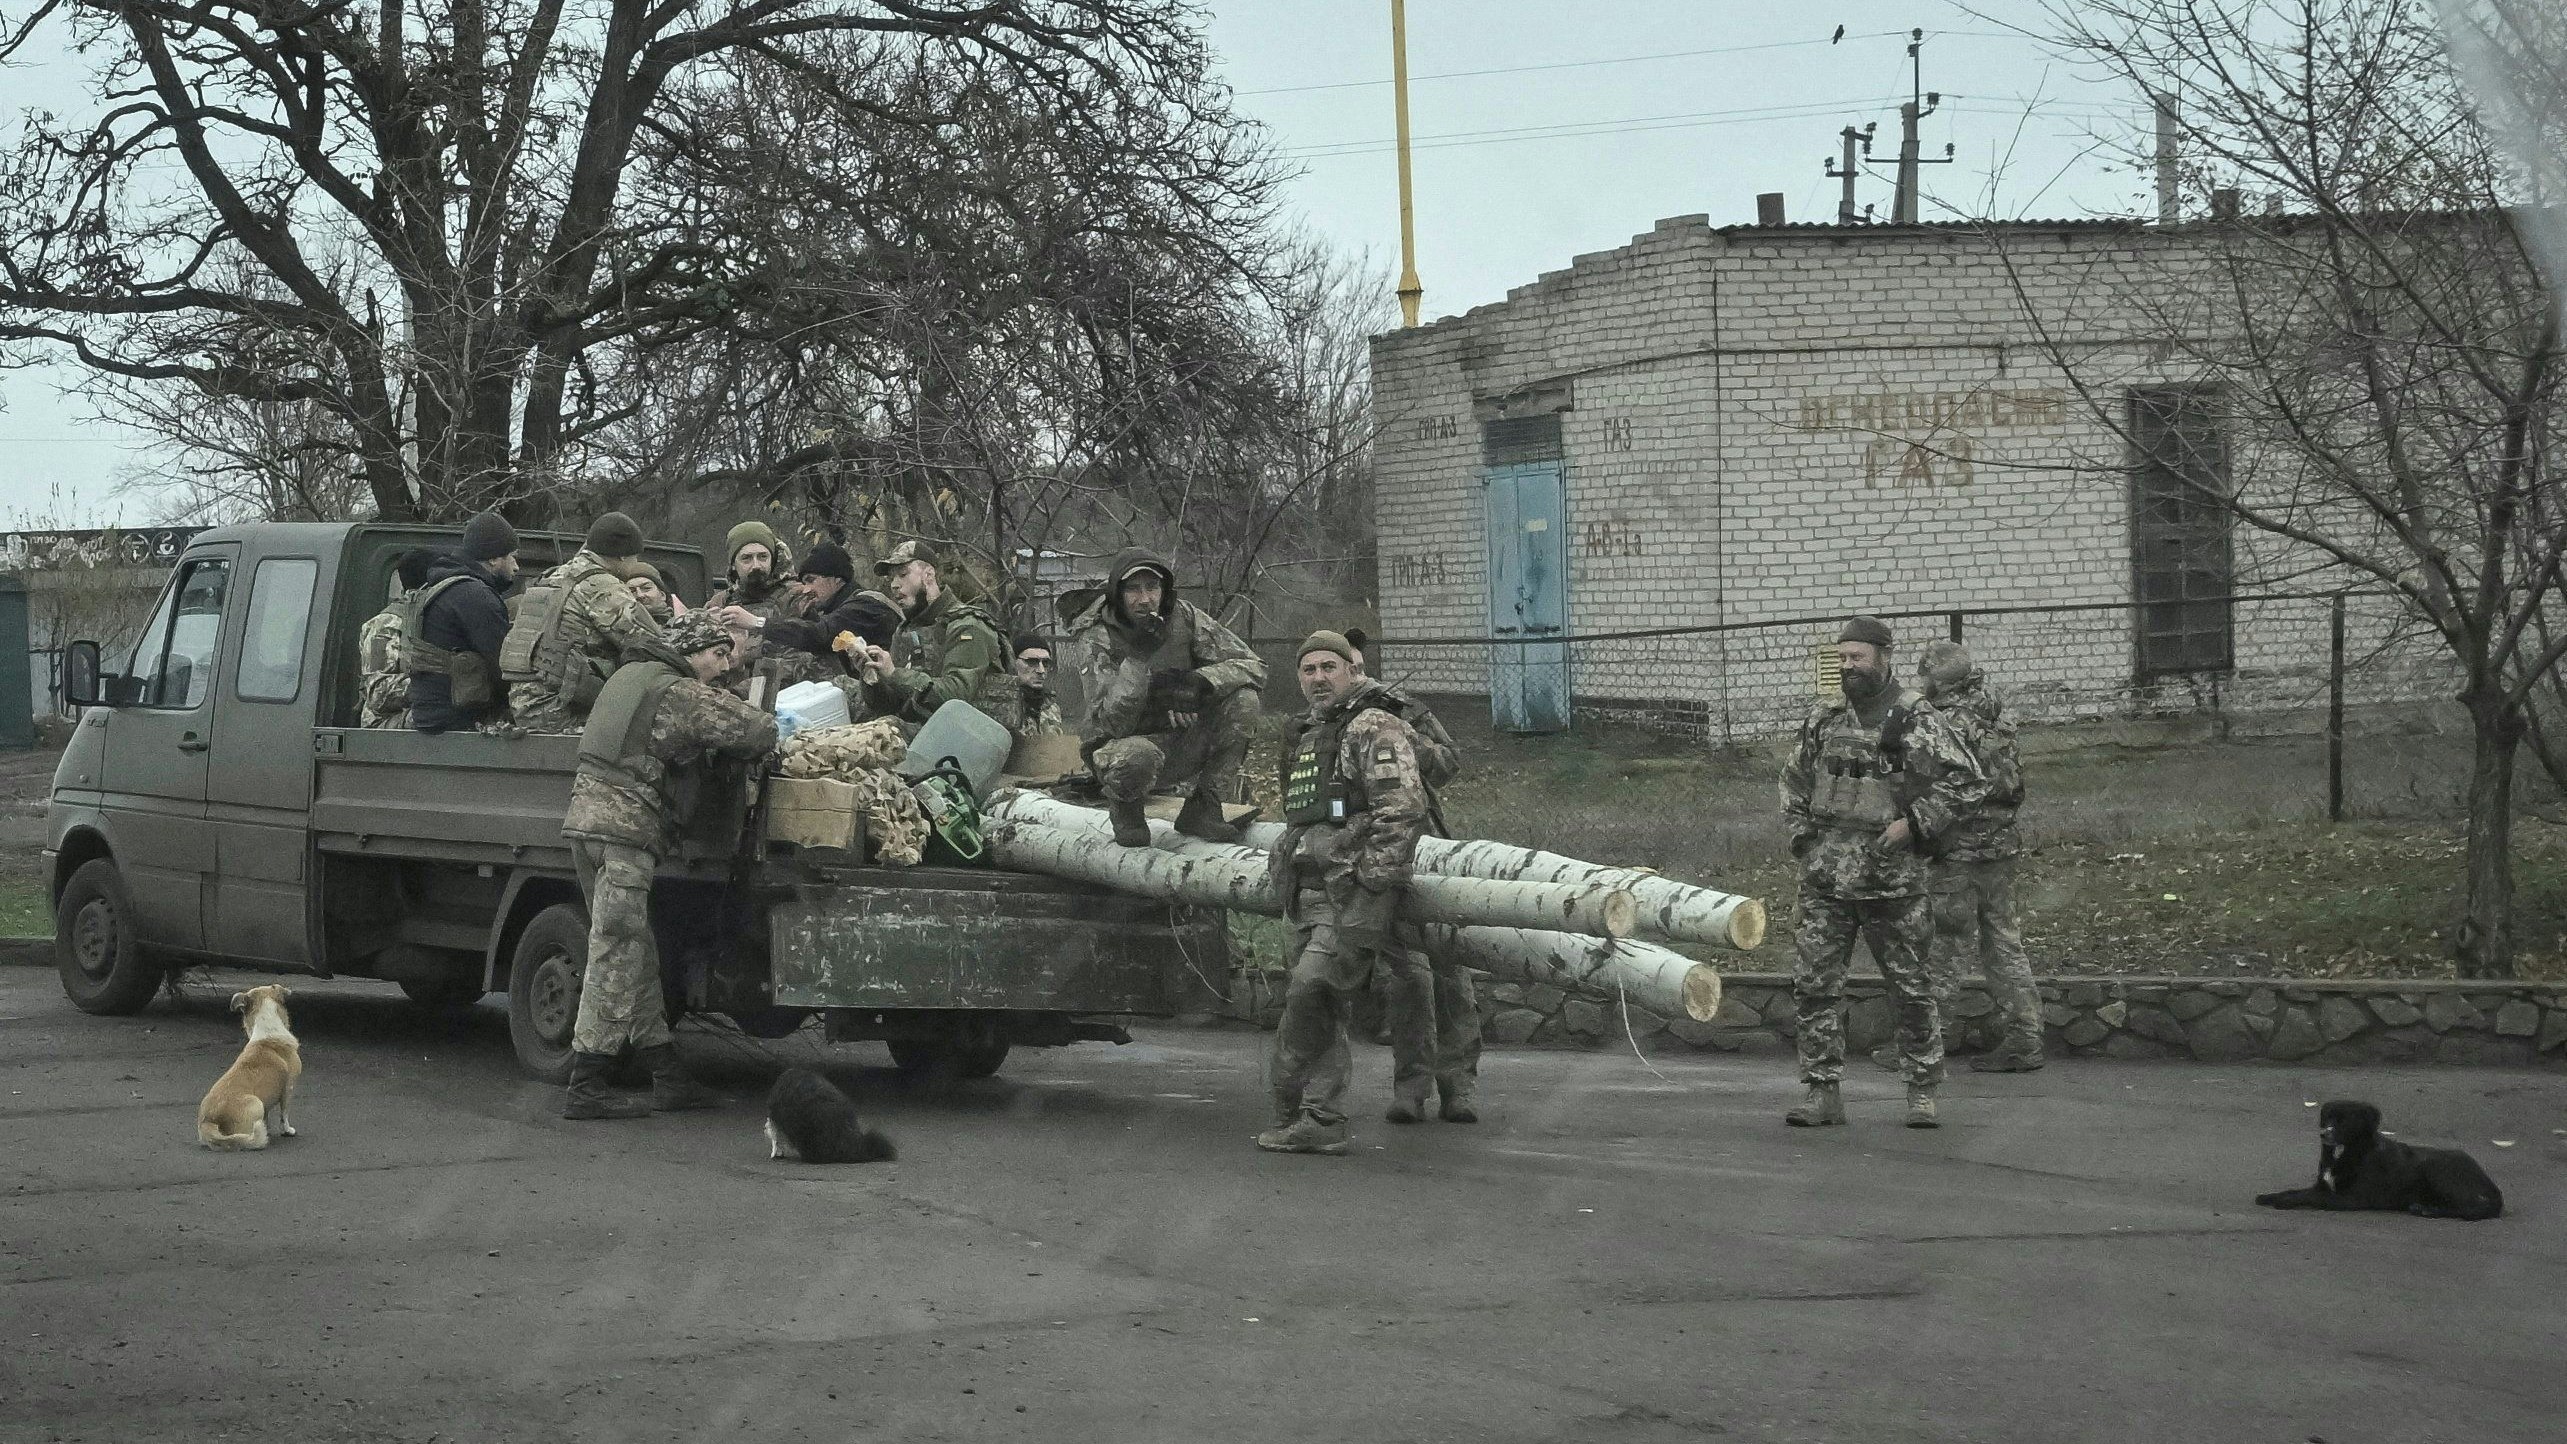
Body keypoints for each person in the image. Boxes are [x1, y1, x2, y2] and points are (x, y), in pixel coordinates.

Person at [557, 610, 779, 1120]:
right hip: (625, 833)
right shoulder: (677, 691)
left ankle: (666, 1072)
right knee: (616, 950)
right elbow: (755, 731)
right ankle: (587, 1080)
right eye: (718, 654)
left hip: (588, 825)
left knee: (636, 949)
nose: (724, 666)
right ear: (691, 649)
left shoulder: (629, 676)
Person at [1778, 615, 1990, 1130]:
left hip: (1892, 882)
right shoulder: (1826, 717)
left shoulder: (1914, 717)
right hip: (1828, 883)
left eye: (1858, 657)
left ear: (1884, 657)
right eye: (1842, 657)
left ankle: (1921, 1091)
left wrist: (1914, 825)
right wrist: (1804, 838)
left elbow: (1969, 782)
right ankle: (1822, 1091)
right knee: (1815, 987)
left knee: (1911, 988)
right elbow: (1794, 779)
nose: (1849, 666)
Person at [1256, 631, 1434, 1154]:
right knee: (1315, 999)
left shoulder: (1374, 727)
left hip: (1350, 892)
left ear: (1352, 672)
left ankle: (1314, 1111)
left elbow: (1402, 811)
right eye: (1308, 670)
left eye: (1328, 667)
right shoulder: (1313, 732)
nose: (1317, 679)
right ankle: (1306, 1112)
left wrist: (1371, 886)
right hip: (1311, 892)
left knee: (1316, 989)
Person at [1343, 637, 1479, 1123]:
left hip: (1427, 850)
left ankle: (1458, 1086)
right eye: (1346, 669)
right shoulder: (1324, 725)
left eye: (1360, 668)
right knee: (1408, 979)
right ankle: (1411, 1088)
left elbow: (1448, 765)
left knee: (1450, 973)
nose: (1355, 678)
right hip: (1370, 858)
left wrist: (1401, 737)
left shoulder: (1402, 711)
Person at [1063, 548, 1266, 846]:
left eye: (1152, 587)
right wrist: (1138, 660)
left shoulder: (1183, 616)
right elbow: (1111, 724)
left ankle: (1203, 807)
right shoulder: (1097, 636)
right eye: (1133, 589)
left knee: (1245, 701)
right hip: (1122, 754)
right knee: (1137, 756)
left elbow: (1255, 667)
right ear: (1117, 594)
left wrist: (1198, 682)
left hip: (1180, 742)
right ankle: (1127, 811)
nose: (1144, 599)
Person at [1915, 640, 2044, 1073]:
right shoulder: (1997, 716)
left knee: (1944, 946)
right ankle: (2025, 1040)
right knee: (2003, 943)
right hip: (2001, 847)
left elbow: (1939, 786)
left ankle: (1930, 1042)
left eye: (1924, 676)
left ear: (1936, 679)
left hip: (1959, 851)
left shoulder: (1945, 723)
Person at [501, 512, 662, 734]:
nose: (636, 564)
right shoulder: (601, 586)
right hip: (562, 713)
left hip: (525, 707)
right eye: (635, 557)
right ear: (623, 556)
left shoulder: (554, 576)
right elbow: (651, 645)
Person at [859, 540, 1003, 726]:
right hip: (919, 735)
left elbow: (958, 697)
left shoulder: (967, 624)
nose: (894, 585)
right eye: (891, 578)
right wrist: (872, 678)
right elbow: (891, 705)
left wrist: (895, 674)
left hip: (967, 738)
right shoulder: (905, 630)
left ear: (929, 575)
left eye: (903, 574)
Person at [405, 511, 520, 734]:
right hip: (458, 721)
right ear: (494, 558)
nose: (516, 566)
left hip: (432, 717)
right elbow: (505, 667)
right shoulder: (474, 595)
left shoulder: (442, 586)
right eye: (512, 556)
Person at [357, 548, 436, 728]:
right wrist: (434, 687)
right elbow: (377, 693)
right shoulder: (387, 624)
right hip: (382, 726)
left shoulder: (431, 617)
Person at [979, 631, 1069, 740]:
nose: (1041, 670)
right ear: (1013, 662)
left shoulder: (1050, 706)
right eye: (1032, 662)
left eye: (1045, 663)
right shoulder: (995, 703)